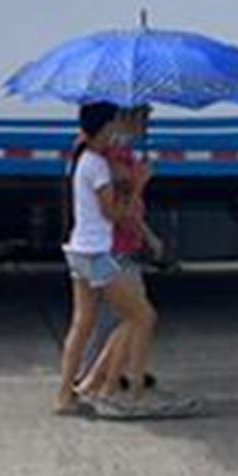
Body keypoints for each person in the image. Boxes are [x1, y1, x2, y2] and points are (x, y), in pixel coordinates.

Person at [54, 101, 161, 419]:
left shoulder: (83, 160)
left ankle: (66, 395)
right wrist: (138, 186)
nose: (117, 131)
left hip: (78, 250)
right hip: (98, 252)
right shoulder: (97, 165)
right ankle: (134, 392)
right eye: (113, 125)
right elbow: (113, 214)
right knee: (141, 316)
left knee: (82, 323)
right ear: (102, 129)